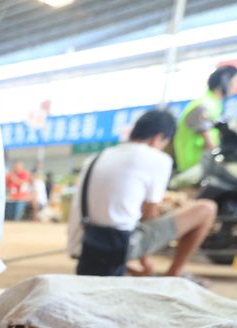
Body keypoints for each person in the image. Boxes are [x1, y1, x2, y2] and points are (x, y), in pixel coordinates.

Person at [67, 109, 217, 278]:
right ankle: (174, 274)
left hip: (82, 243)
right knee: (206, 208)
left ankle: (128, 267)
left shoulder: (96, 157)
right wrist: (145, 262)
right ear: (157, 138)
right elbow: (149, 214)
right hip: (117, 244)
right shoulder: (157, 158)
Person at [174, 65, 237, 173]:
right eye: (234, 82)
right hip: (194, 169)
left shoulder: (214, 105)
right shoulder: (203, 105)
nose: (236, 87)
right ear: (225, 82)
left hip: (200, 168)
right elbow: (208, 142)